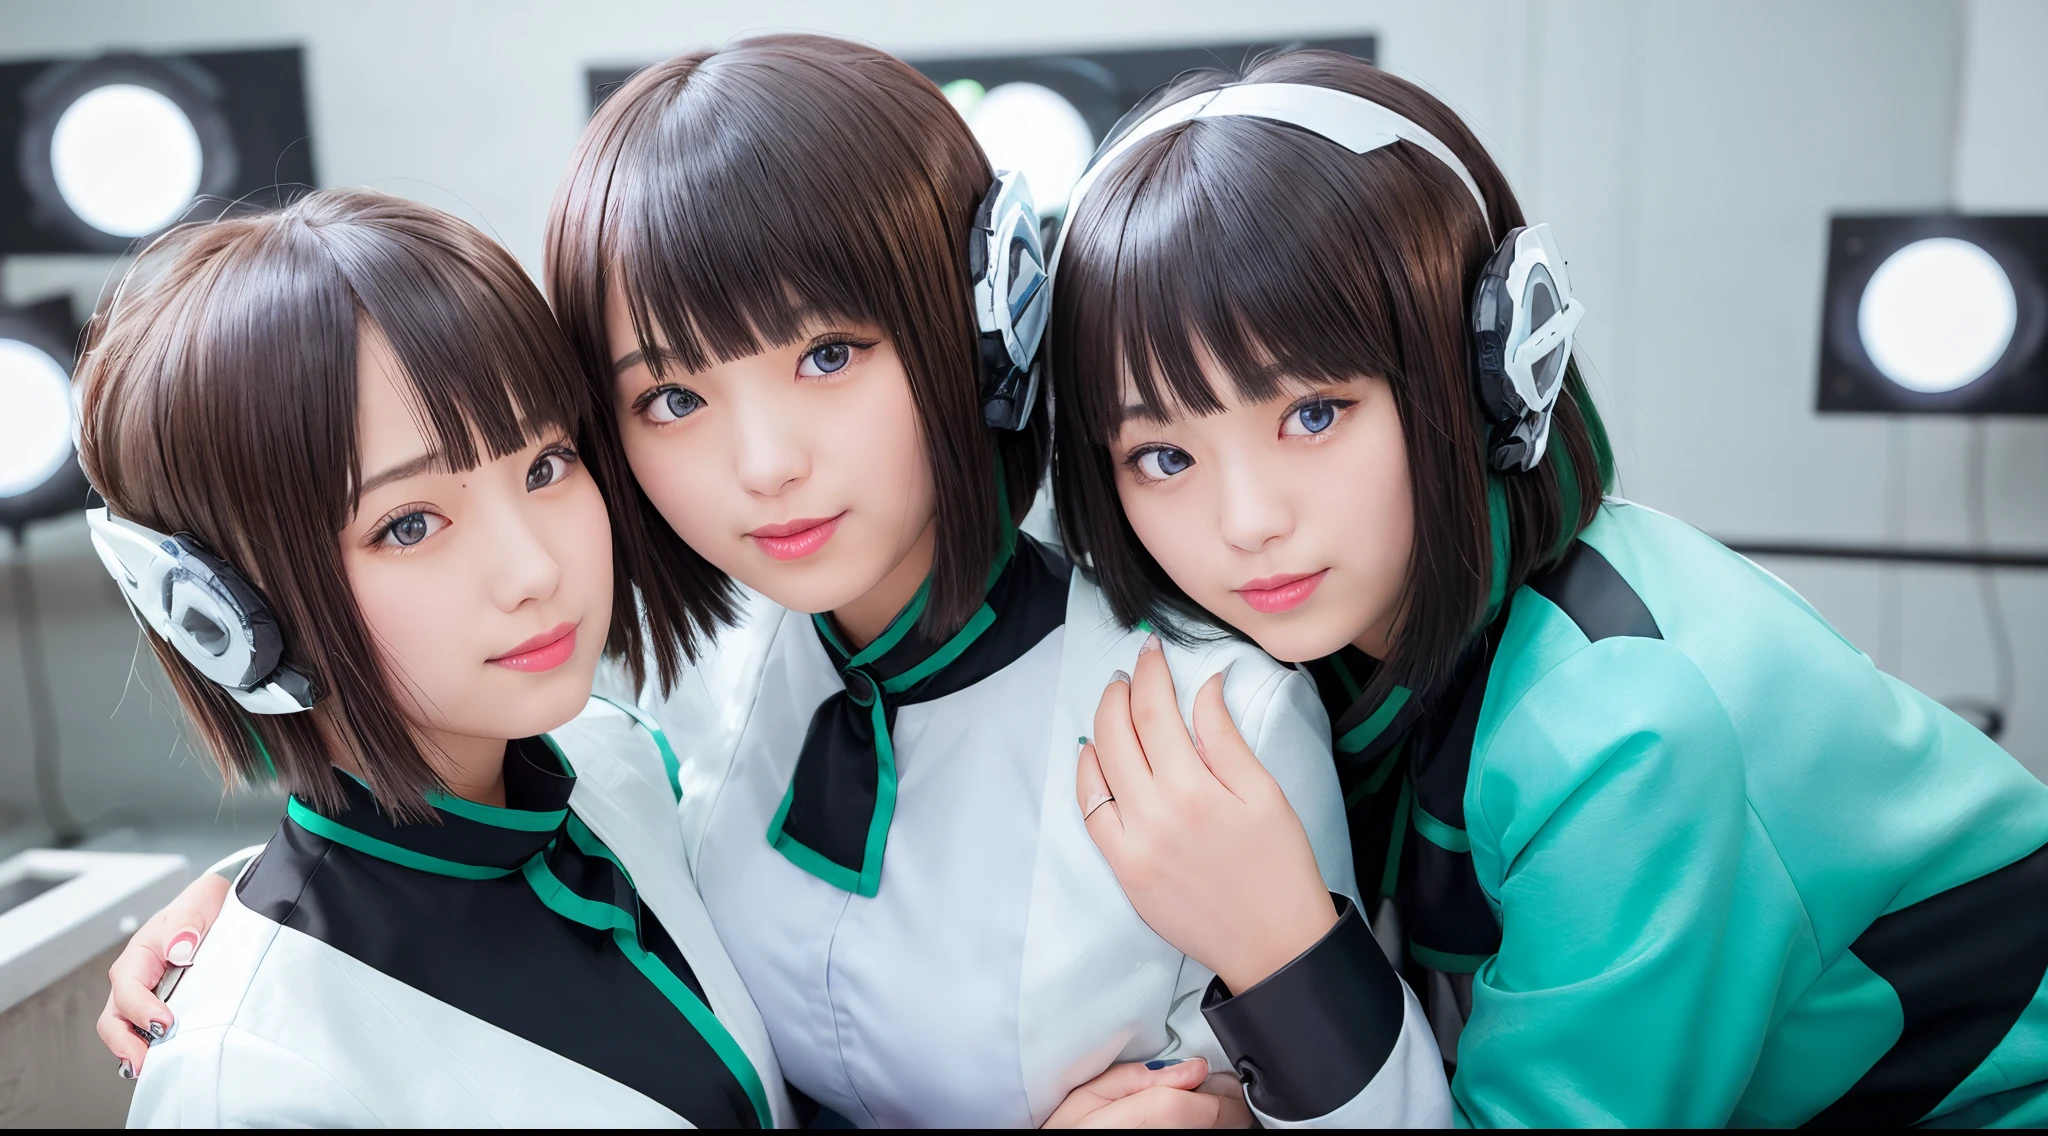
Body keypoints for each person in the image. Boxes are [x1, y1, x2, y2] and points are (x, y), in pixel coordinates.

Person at [100, 37, 1451, 1129]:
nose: (763, 467)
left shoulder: (1210, 722)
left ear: (980, 320)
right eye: (675, 394)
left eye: (825, 357)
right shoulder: (671, 691)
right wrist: (286, 905)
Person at [1044, 48, 2048, 1127]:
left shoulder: (1624, 727)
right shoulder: (1340, 648)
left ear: (1492, 367)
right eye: (1162, 455)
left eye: (1313, 412)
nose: (1245, 522)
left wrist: (1278, 949)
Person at [85, 190, 785, 1128]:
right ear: (223, 611)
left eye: (545, 465)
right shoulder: (250, 1080)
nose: (537, 568)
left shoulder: (619, 763)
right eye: (408, 524)